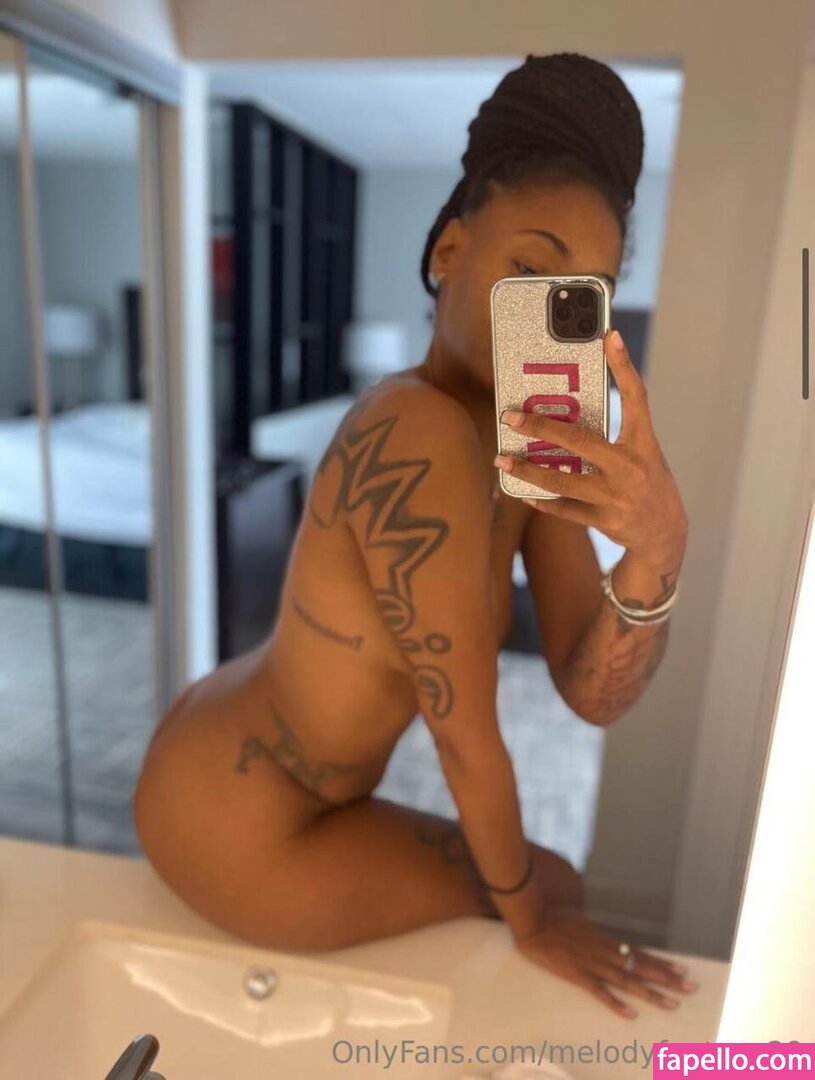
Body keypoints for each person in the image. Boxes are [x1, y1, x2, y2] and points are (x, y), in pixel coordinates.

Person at [133, 52, 693, 1019]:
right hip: (242, 821)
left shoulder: (527, 441)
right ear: (448, 252)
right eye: (530, 270)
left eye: (583, 293)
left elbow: (589, 690)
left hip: (264, 765)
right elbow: (464, 737)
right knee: (548, 894)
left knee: (549, 883)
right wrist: (532, 921)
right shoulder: (417, 431)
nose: (547, 316)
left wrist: (656, 550)